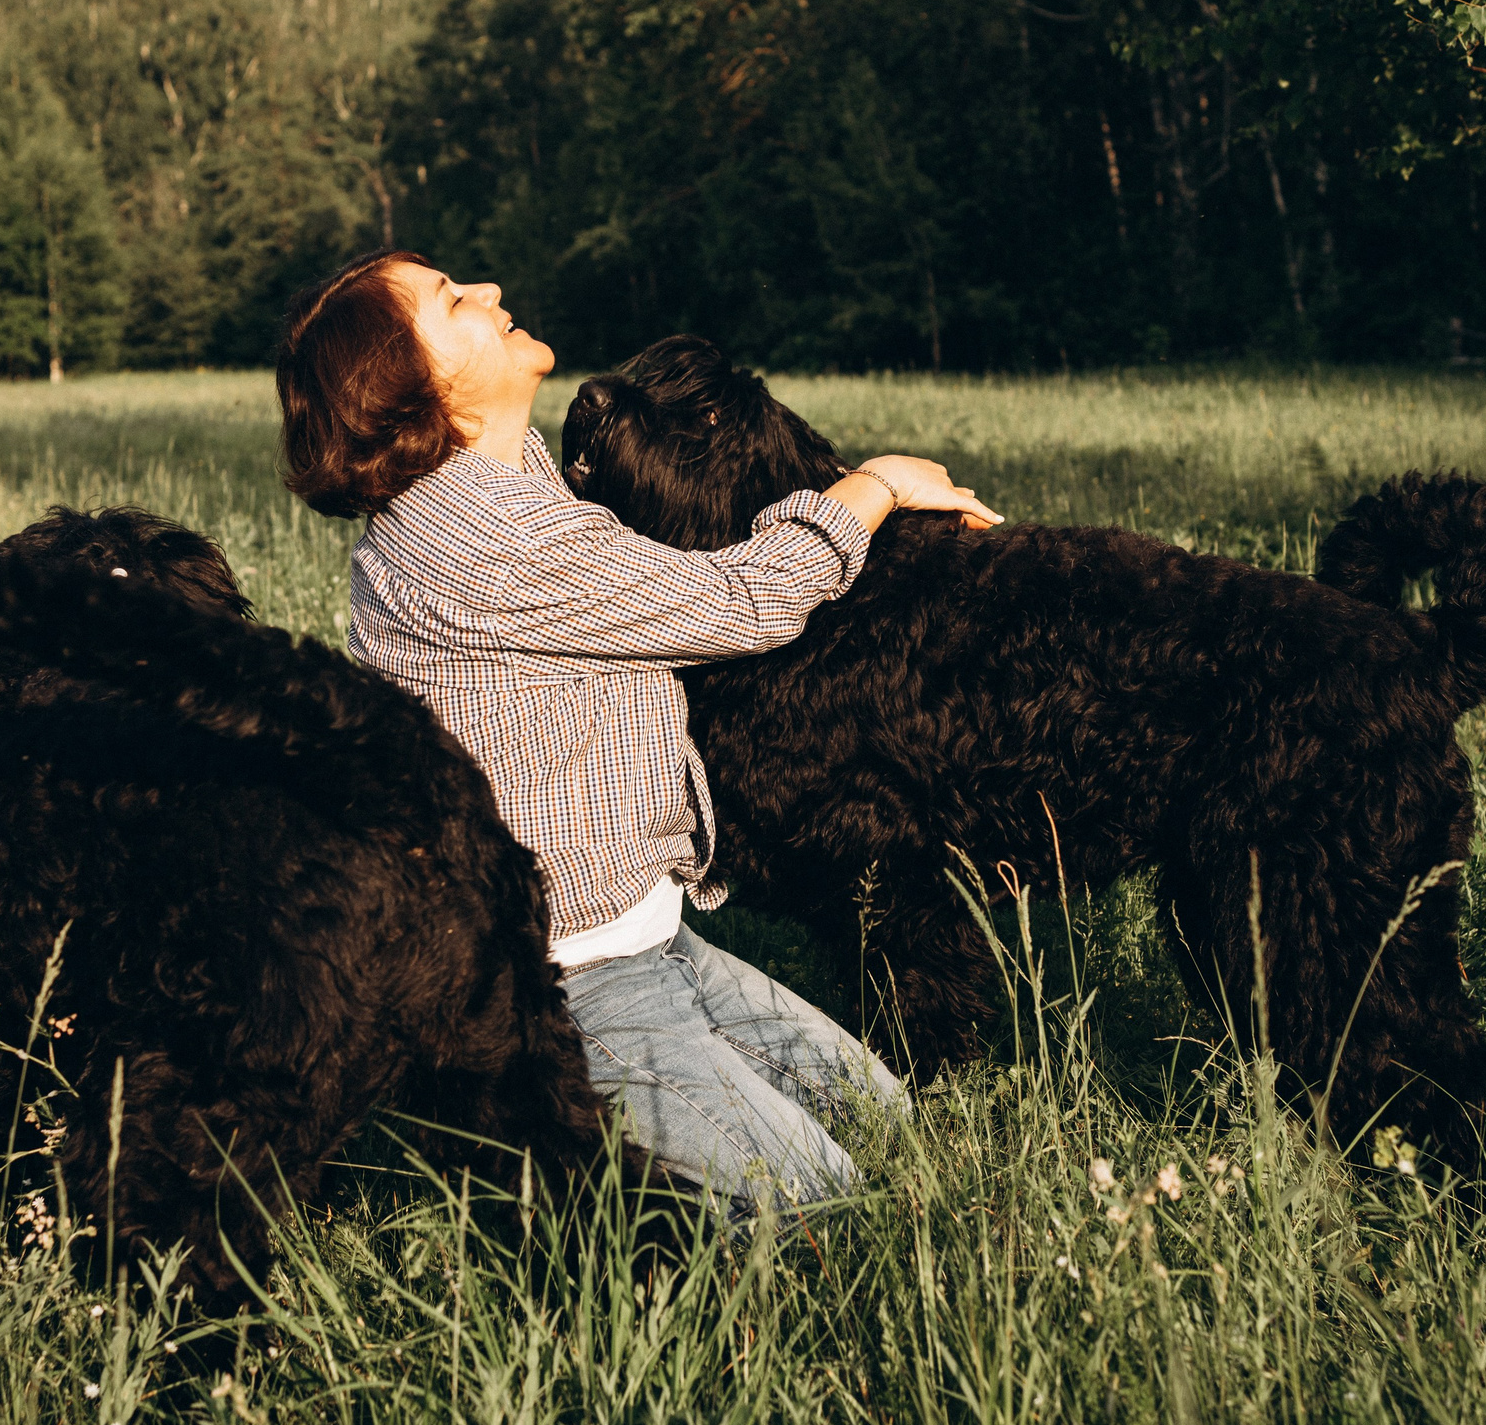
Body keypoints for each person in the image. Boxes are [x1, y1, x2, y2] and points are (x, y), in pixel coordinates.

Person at [276, 248, 999, 1213]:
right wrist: (873, 486)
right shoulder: (483, 536)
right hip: (567, 984)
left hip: (650, 942)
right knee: (826, 1203)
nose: (489, 291)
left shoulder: (507, 477)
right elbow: (743, 602)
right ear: (416, 385)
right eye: (453, 301)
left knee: (886, 1123)